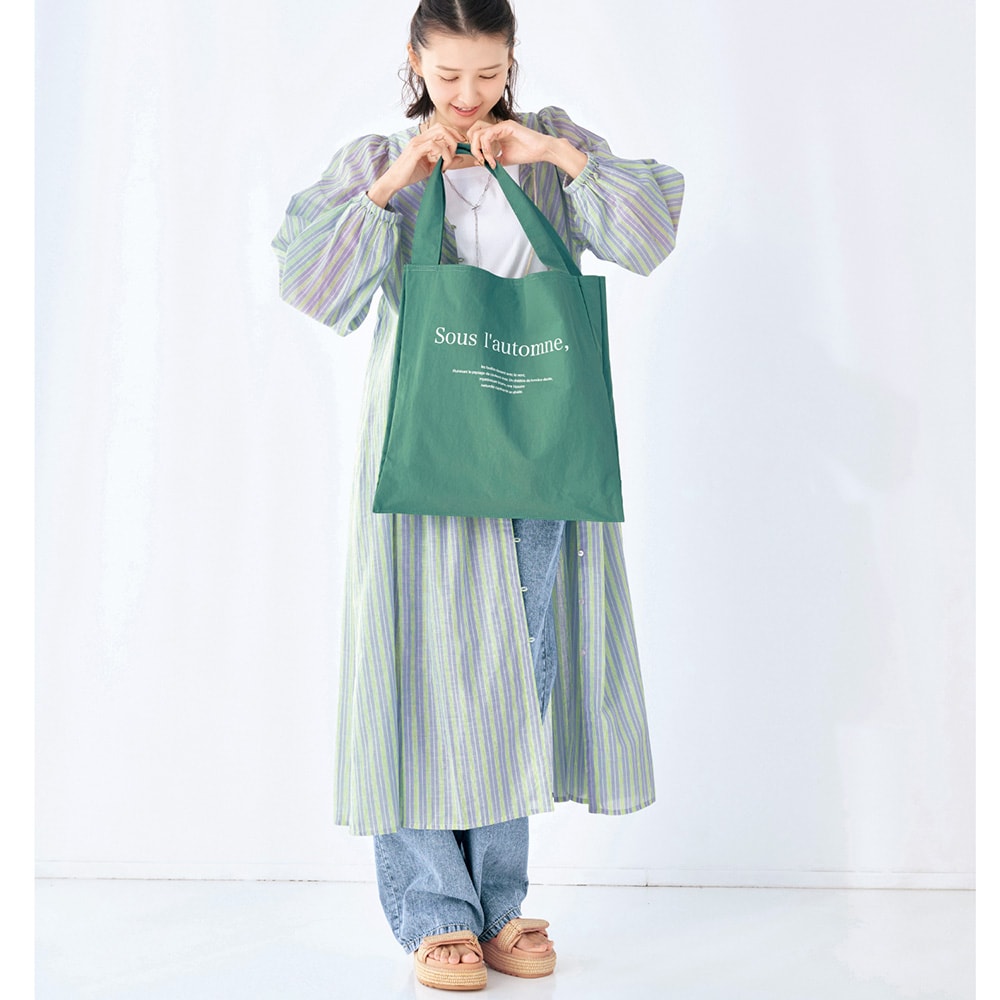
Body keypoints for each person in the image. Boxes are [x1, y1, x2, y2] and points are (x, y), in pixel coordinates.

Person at [272, 0, 683, 990]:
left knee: (516, 666)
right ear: (414, 62)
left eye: (488, 74)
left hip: (537, 446)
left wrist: (550, 151)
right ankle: (433, 910)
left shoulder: (547, 150)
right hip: (424, 443)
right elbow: (311, 285)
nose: (468, 95)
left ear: (511, 64)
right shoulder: (379, 158)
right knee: (417, 665)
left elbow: (646, 236)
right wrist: (395, 183)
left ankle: (497, 901)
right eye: (449, 75)